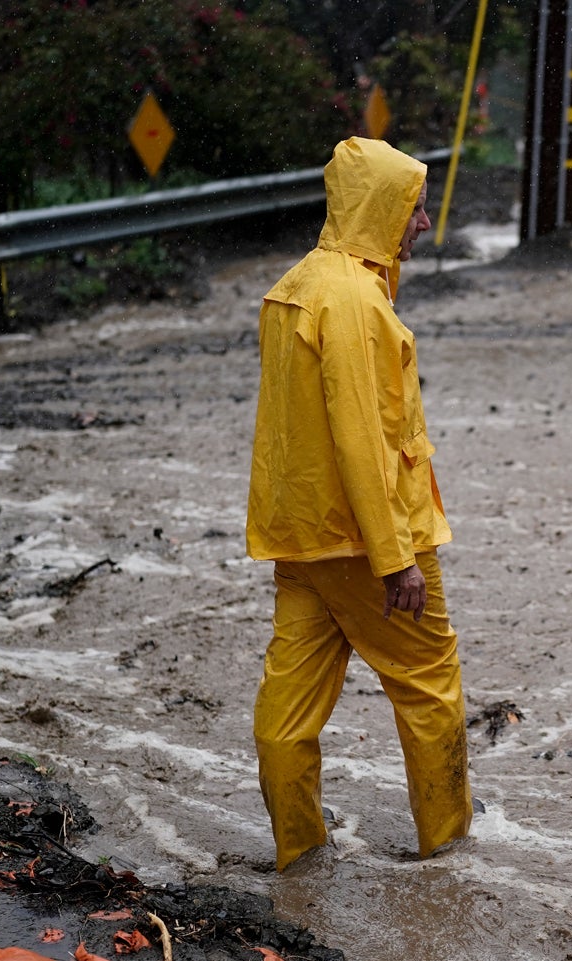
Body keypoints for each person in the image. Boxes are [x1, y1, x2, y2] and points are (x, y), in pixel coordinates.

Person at [246, 137, 471, 869]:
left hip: (303, 541)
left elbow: (295, 436)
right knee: (430, 689)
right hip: (371, 544)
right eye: (413, 207)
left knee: (288, 710)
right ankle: (448, 851)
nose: (424, 223)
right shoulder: (352, 304)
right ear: (379, 208)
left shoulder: (295, 286)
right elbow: (359, 441)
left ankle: (299, 854)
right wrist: (395, 557)